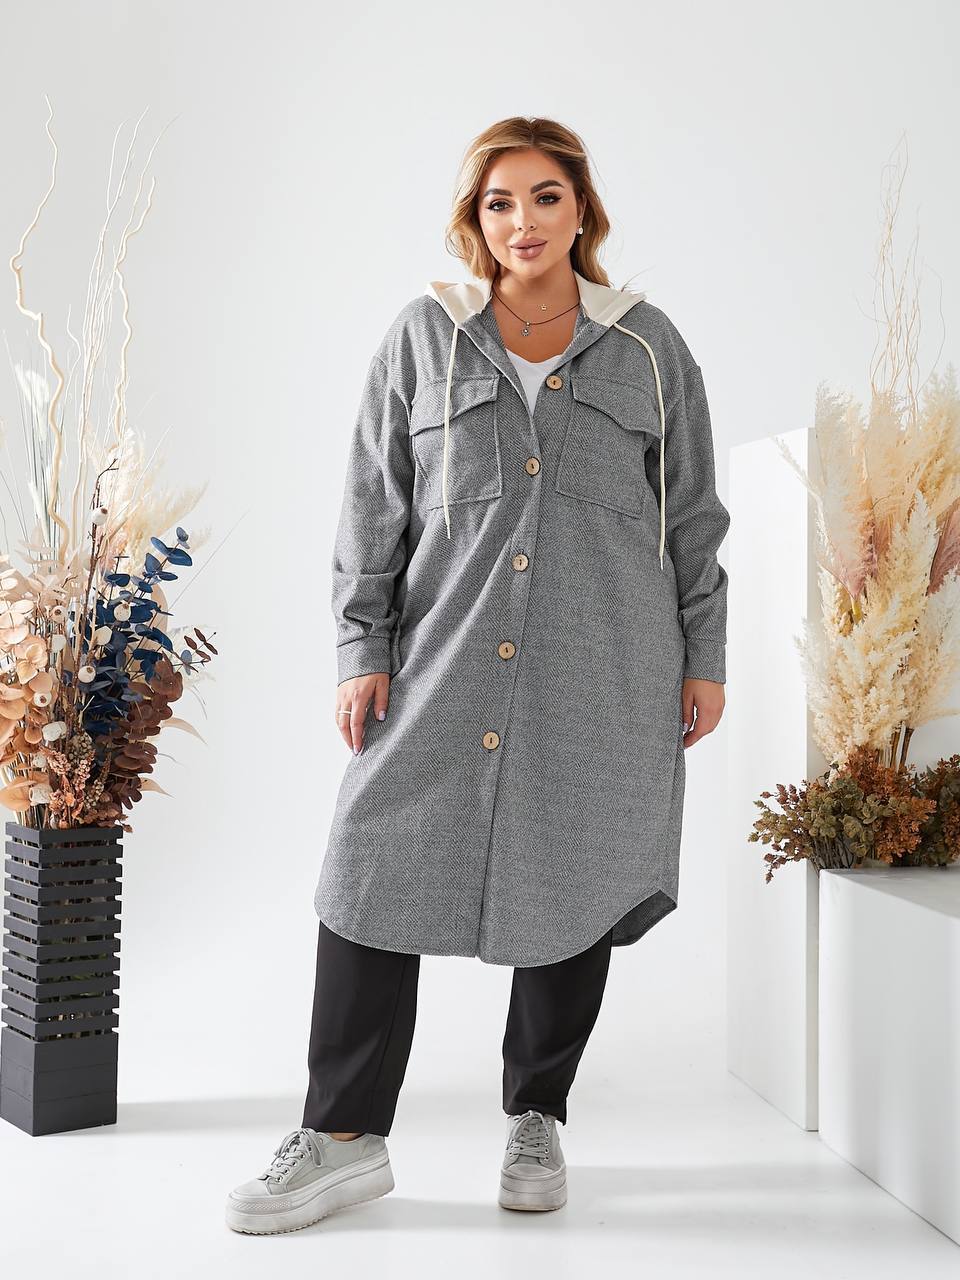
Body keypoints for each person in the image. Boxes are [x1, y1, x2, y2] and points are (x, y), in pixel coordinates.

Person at [225, 115, 730, 1235]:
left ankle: (536, 1115)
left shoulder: (649, 347)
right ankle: (343, 1139)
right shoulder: (424, 336)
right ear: (476, 218)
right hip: (442, 663)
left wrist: (707, 656)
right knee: (367, 865)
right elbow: (373, 506)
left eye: (546, 196)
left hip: (607, 667)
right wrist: (361, 647)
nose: (523, 221)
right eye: (501, 201)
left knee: (576, 869)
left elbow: (693, 516)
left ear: (582, 208)